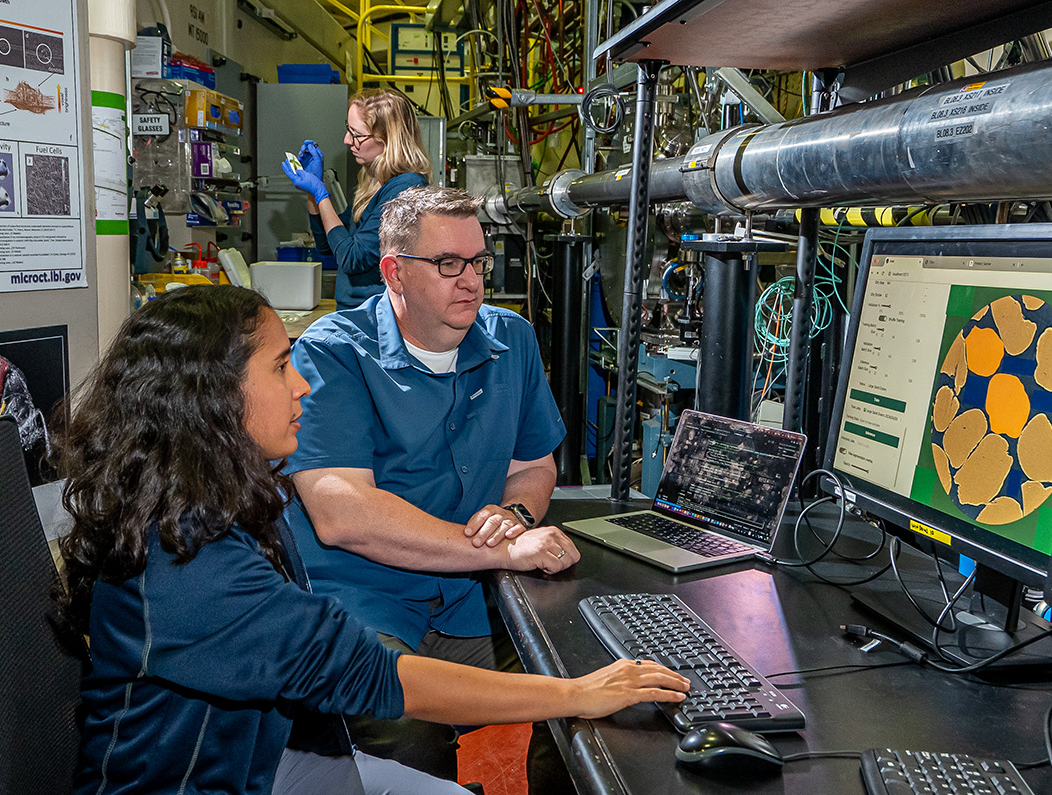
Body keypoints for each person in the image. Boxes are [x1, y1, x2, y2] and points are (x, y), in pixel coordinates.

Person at [56, 285, 688, 795]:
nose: (302, 385)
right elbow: (376, 678)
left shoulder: (218, 498)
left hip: (256, 756)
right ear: (211, 397)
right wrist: (576, 694)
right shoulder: (189, 565)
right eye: (281, 368)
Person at [284, 186, 579, 789]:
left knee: (574, 693)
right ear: (393, 272)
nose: (470, 279)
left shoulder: (512, 340)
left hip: (475, 600)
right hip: (364, 599)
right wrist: (500, 549)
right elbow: (343, 513)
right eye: (449, 264)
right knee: (404, 733)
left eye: (478, 262)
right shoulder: (335, 353)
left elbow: (534, 462)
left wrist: (515, 512)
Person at [282, 89, 430, 309]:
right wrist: (313, 194)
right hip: (357, 313)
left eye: (357, 134)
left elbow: (353, 258)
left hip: (376, 318)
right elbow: (329, 245)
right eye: (347, 130)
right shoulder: (375, 183)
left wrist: (322, 194)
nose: (347, 140)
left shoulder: (405, 187)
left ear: (387, 138)